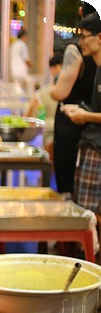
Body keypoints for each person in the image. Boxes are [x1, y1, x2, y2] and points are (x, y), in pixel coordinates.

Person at [49, 2, 98, 196]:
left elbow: (60, 92)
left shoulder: (75, 50)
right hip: (91, 127)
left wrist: (51, 90)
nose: (82, 40)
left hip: (74, 125)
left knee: (69, 188)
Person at [62, 13, 101, 216]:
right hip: (91, 144)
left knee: (89, 214)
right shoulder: (98, 69)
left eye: (84, 36)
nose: (80, 42)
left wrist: (86, 116)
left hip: (96, 148)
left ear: (99, 38)